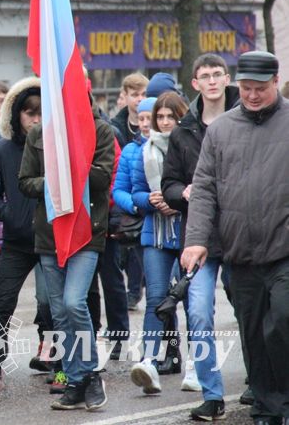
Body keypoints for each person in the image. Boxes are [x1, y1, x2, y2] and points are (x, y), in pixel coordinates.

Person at [182, 51, 289, 425]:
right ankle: (266, 408)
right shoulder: (221, 129)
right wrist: (196, 240)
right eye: (245, 88)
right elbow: (205, 189)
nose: (253, 95)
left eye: (260, 88)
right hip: (239, 252)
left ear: (275, 82)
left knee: (283, 321)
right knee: (253, 335)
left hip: (283, 250)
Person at [19, 86, 115, 411]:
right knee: (58, 312)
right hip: (49, 233)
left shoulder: (100, 130)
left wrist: (73, 165)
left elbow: (102, 180)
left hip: (87, 230)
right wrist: (53, 181)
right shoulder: (38, 134)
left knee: (75, 303)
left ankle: (89, 375)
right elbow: (25, 181)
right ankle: (75, 381)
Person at [161, 54, 239, 420]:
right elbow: (169, 185)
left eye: (217, 75)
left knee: (253, 314)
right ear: (194, 83)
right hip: (199, 235)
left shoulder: (248, 120)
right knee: (198, 313)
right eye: (204, 76)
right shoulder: (183, 132)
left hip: (243, 233)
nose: (211, 81)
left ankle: (260, 384)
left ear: (227, 78)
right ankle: (212, 393)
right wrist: (184, 193)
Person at [0, 77, 56, 388]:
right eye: (29, 112)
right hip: (15, 241)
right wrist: (9, 214)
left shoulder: (57, 148)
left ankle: (62, 366)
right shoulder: (1, 150)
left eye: (41, 112)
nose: (35, 119)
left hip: (52, 240)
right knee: (1, 303)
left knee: (51, 305)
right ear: (17, 114)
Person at [124, 92, 189, 396]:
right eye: (158, 117)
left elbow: (202, 186)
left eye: (169, 117)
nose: (163, 123)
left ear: (180, 118)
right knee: (156, 298)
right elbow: (135, 192)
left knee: (194, 302)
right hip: (155, 232)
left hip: (189, 230)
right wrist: (149, 200)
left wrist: (177, 200)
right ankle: (148, 362)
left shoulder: (191, 147)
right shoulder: (143, 152)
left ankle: (200, 367)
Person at [110, 71, 149, 310]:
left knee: (138, 249)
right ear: (124, 96)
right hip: (124, 194)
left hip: (146, 194)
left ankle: (135, 291)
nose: (139, 99)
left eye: (143, 94)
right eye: (134, 94)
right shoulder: (116, 126)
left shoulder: (153, 123)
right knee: (124, 250)